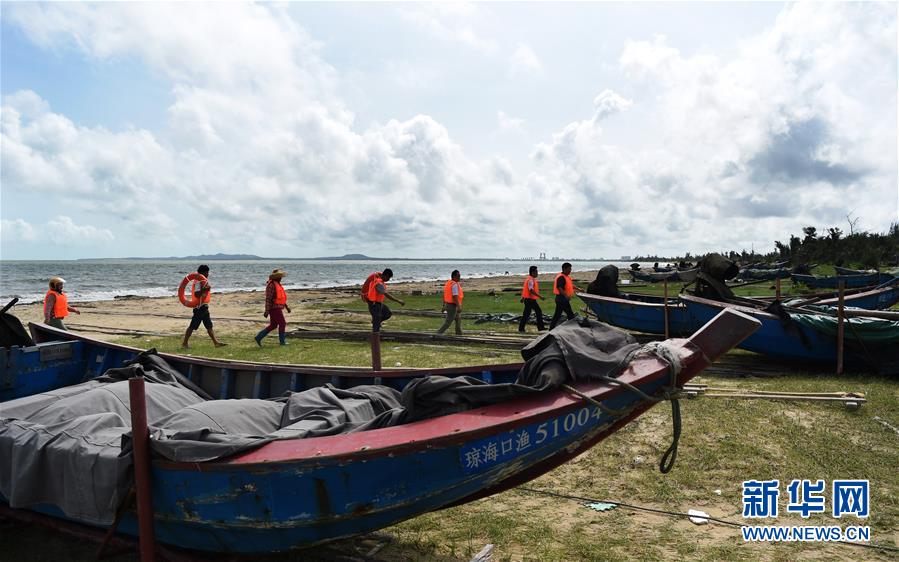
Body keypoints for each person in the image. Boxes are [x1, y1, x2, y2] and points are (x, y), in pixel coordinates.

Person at [181, 264, 226, 349]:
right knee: (192, 326)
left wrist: (205, 289)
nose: (208, 274)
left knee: (209, 326)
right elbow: (197, 294)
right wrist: (205, 289)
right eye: (206, 272)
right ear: (202, 272)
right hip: (199, 308)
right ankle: (184, 343)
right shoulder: (198, 282)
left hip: (204, 307)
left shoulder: (202, 281)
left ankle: (216, 343)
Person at [255, 269, 292, 346]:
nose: (281, 278)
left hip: (278, 307)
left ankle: (259, 337)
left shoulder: (278, 284)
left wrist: (286, 307)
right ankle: (282, 342)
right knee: (282, 323)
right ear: (276, 277)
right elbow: (268, 299)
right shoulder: (271, 285)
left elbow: (281, 298)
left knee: (273, 325)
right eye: (279, 277)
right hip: (274, 308)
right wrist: (267, 311)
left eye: (281, 277)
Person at [366, 268, 404, 332]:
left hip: (378, 303)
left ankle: (376, 322)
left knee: (387, 313)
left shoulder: (380, 282)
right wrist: (398, 301)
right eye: (388, 278)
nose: (388, 280)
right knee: (376, 325)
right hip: (374, 305)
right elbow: (386, 294)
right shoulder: (378, 283)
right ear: (385, 275)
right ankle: (375, 338)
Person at [549, 262, 583, 330]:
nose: (570, 270)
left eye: (570, 269)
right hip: (561, 299)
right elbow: (559, 288)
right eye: (569, 269)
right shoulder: (561, 277)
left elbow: (570, 285)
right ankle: (573, 328)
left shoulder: (566, 277)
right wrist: (566, 295)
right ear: (564, 269)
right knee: (570, 314)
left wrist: (578, 289)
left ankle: (551, 328)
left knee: (558, 315)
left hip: (562, 299)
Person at [518, 266, 545, 332]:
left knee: (526, 314)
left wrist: (523, 298)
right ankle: (540, 327)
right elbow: (531, 290)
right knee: (538, 312)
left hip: (528, 299)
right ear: (532, 272)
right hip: (530, 300)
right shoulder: (530, 280)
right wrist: (540, 296)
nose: (537, 273)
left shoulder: (529, 279)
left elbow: (526, 290)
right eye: (536, 272)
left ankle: (521, 328)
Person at [437, 270, 464, 335]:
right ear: (454, 276)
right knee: (448, 322)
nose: (459, 277)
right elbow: (455, 296)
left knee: (458, 319)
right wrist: (459, 306)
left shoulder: (449, 283)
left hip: (449, 304)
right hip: (452, 306)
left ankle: (459, 333)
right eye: (458, 276)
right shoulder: (454, 284)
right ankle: (438, 334)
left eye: (459, 276)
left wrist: (444, 305)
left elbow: (445, 295)